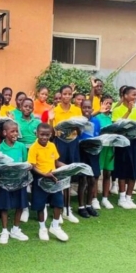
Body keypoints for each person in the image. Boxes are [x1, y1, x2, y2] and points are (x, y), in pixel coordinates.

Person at [112, 86, 136, 209]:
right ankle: (122, 198)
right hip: (123, 142)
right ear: (125, 96)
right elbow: (117, 126)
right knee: (123, 170)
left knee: (134, 169)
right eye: (133, 95)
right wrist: (128, 111)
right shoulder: (117, 109)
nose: (135, 97)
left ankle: (129, 197)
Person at [27, 124, 69, 242]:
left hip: (53, 179)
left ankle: (55, 226)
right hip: (40, 180)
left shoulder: (52, 145)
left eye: (47, 135)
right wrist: (44, 174)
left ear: (51, 135)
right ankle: (42, 228)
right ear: (37, 134)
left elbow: (56, 162)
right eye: (42, 134)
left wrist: (69, 167)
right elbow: (32, 166)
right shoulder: (33, 148)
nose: (44, 137)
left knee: (58, 203)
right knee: (40, 205)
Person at [47, 84, 82, 223]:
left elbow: (80, 131)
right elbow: (51, 134)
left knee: (69, 175)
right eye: (64, 94)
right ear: (60, 95)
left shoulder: (76, 110)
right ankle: (58, 209)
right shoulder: (54, 110)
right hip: (59, 144)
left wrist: (76, 126)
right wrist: (50, 120)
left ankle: (67, 209)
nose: (67, 96)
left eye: (69, 94)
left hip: (72, 144)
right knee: (59, 176)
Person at [0, 120, 30, 244]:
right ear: (5, 133)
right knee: (4, 206)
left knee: (20, 205)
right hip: (4, 182)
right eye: (12, 131)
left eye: (16, 131)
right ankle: (4, 230)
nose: (15, 134)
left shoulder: (21, 146)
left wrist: (26, 167)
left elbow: (26, 162)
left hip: (20, 180)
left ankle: (15, 229)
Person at [77, 99, 101, 218]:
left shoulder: (96, 121)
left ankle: (89, 205)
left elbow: (99, 135)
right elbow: (76, 136)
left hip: (93, 152)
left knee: (92, 179)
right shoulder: (77, 121)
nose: (86, 110)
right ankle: (81, 207)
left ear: (92, 109)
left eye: (89, 107)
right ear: (81, 108)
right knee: (83, 180)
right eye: (84, 107)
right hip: (82, 152)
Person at [95, 95, 115, 209]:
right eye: (106, 103)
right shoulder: (97, 117)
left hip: (110, 148)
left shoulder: (112, 117)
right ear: (101, 104)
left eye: (110, 103)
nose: (108, 105)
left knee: (108, 173)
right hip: (100, 148)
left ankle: (105, 199)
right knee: (97, 174)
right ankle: (94, 199)